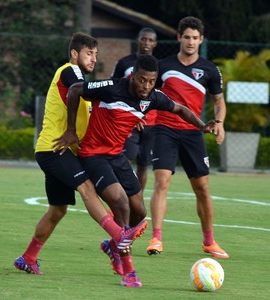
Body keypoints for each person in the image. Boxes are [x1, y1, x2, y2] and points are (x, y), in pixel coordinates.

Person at [54, 54, 217, 287]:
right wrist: (71, 130)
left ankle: (112, 244)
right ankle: (128, 271)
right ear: (132, 76)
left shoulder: (152, 97)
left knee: (139, 213)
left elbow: (180, 109)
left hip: (116, 157)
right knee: (120, 203)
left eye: (151, 81)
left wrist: (202, 125)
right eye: (142, 80)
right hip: (93, 155)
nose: (146, 86)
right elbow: (75, 90)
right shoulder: (111, 88)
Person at [13, 32, 147, 276]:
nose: (94, 58)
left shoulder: (85, 90)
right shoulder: (70, 71)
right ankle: (118, 236)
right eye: (89, 53)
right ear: (74, 54)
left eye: (96, 54)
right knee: (87, 188)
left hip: (59, 150)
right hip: (54, 149)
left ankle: (27, 258)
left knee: (57, 210)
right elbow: (78, 87)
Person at [146, 16, 229, 259]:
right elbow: (146, 92)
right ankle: (156, 238)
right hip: (165, 130)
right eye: (186, 37)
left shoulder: (210, 70)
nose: (190, 42)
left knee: (202, 188)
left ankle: (209, 242)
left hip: (194, 133)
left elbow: (218, 102)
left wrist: (221, 124)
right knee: (162, 182)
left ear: (201, 40)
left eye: (195, 38)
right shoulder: (162, 66)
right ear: (178, 38)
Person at [111, 27, 158, 191]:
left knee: (144, 165)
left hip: (150, 123)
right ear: (138, 40)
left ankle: (137, 202)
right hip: (129, 121)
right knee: (125, 160)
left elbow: (160, 96)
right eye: (144, 39)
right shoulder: (124, 63)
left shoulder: (157, 67)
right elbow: (114, 87)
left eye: (151, 40)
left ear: (155, 43)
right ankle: (121, 197)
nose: (147, 43)